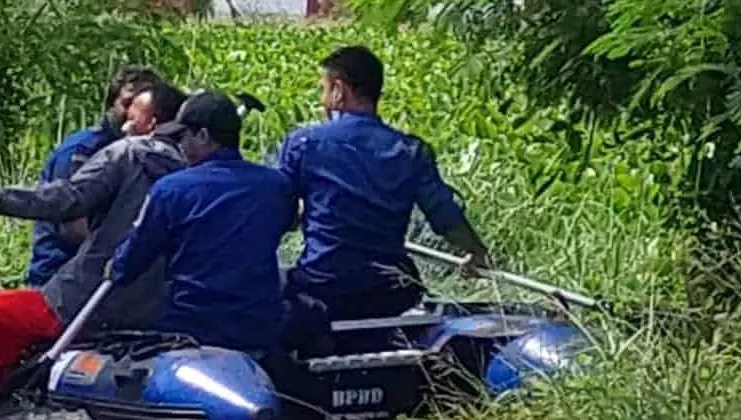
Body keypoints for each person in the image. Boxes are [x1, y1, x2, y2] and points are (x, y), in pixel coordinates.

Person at [0, 82, 188, 410]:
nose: (125, 126)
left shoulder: (126, 153)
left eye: (134, 119)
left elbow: (66, 199)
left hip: (91, 300)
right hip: (160, 308)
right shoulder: (197, 174)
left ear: (153, 125)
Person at [275, 45, 489, 321]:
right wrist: (476, 251)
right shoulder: (411, 151)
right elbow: (445, 217)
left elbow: (274, 211)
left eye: (324, 90)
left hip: (323, 286)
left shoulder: (305, 144)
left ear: (339, 91)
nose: (323, 101)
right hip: (389, 291)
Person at [108, 91, 297, 354]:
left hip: (192, 329)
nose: (180, 145)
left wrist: (115, 267)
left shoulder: (171, 190)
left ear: (204, 136)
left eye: (183, 136)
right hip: (257, 328)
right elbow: (286, 224)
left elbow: (135, 257)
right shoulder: (276, 186)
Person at [24, 63, 161, 286]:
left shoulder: (151, 154)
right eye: (127, 103)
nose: (132, 113)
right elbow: (72, 225)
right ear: (111, 104)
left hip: (111, 279)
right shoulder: (80, 151)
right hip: (58, 277)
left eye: (141, 105)